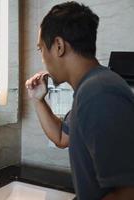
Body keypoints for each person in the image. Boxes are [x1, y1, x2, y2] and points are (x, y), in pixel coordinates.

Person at [25, 2, 134, 200]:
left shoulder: (99, 93)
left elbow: (128, 193)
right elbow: (61, 137)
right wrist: (38, 99)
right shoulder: (89, 90)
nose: (42, 58)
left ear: (58, 46)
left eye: (40, 49)